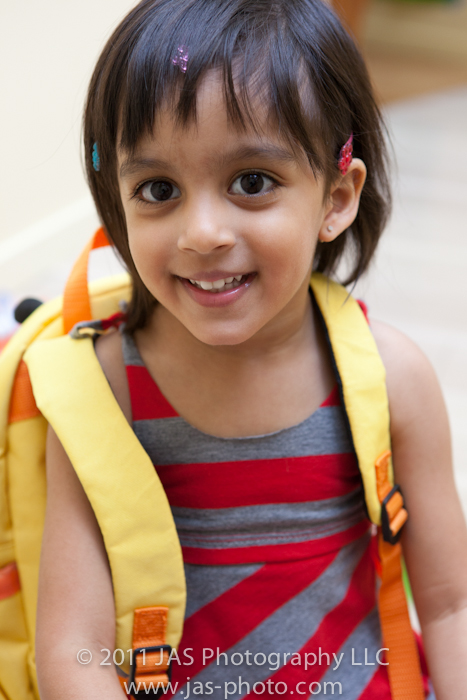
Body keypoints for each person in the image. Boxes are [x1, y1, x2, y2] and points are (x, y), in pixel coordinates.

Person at [35, 0, 467, 697]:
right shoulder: (100, 393)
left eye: (252, 182)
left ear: (336, 197)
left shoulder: (391, 377)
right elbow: (71, 650)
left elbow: (450, 604)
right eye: (158, 189)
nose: (202, 232)